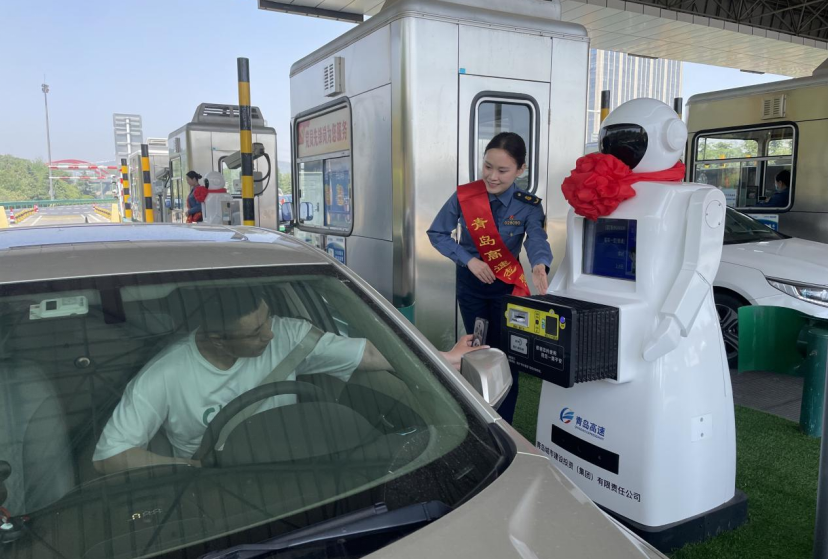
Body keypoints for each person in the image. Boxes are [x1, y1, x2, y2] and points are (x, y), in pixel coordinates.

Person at [93, 291, 486, 474]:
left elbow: (368, 354)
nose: (269, 334)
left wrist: (443, 358)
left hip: (297, 465)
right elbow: (110, 456)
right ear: (216, 339)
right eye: (254, 332)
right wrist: (190, 466)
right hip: (220, 478)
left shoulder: (288, 334)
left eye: (267, 319)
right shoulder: (165, 375)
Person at [427, 132, 553, 424]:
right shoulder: (466, 196)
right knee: (476, 350)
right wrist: (468, 260)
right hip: (471, 288)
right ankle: (477, 417)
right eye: (487, 166)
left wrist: (540, 264)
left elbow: (536, 238)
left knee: (508, 356)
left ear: (520, 170)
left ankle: (505, 424)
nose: (492, 176)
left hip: (507, 290)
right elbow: (437, 233)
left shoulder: (528, 205)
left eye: (502, 170)